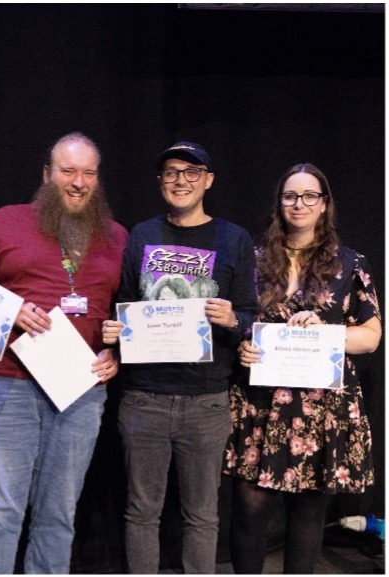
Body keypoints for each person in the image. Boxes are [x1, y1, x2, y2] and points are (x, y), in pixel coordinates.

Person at [0, 132, 127, 573]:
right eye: (68, 171)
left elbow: (127, 315)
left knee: (59, 516)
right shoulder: (5, 223)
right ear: (47, 174)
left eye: (89, 173)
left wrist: (117, 355)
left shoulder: (117, 237)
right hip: (3, 387)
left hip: (79, 392)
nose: (79, 183)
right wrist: (10, 311)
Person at [101, 141, 258, 573]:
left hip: (206, 402)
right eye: (171, 172)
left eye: (192, 172)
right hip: (143, 399)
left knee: (202, 516)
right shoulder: (142, 235)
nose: (181, 180)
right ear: (160, 182)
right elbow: (126, 304)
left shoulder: (234, 239)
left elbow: (250, 316)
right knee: (141, 512)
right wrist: (116, 332)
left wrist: (233, 320)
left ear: (208, 180)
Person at [224, 163, 381, 574]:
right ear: (279, 203)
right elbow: (236, 320)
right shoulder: (253, 260)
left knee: (309, 512)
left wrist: (327, 333)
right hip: (261, 401)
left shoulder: (350, 263)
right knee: (248, 506)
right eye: (290, 196)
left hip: (322, 406)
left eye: (310, 195)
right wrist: (243, 345)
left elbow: (371, 336)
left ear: (324, 203)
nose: (300, 204)